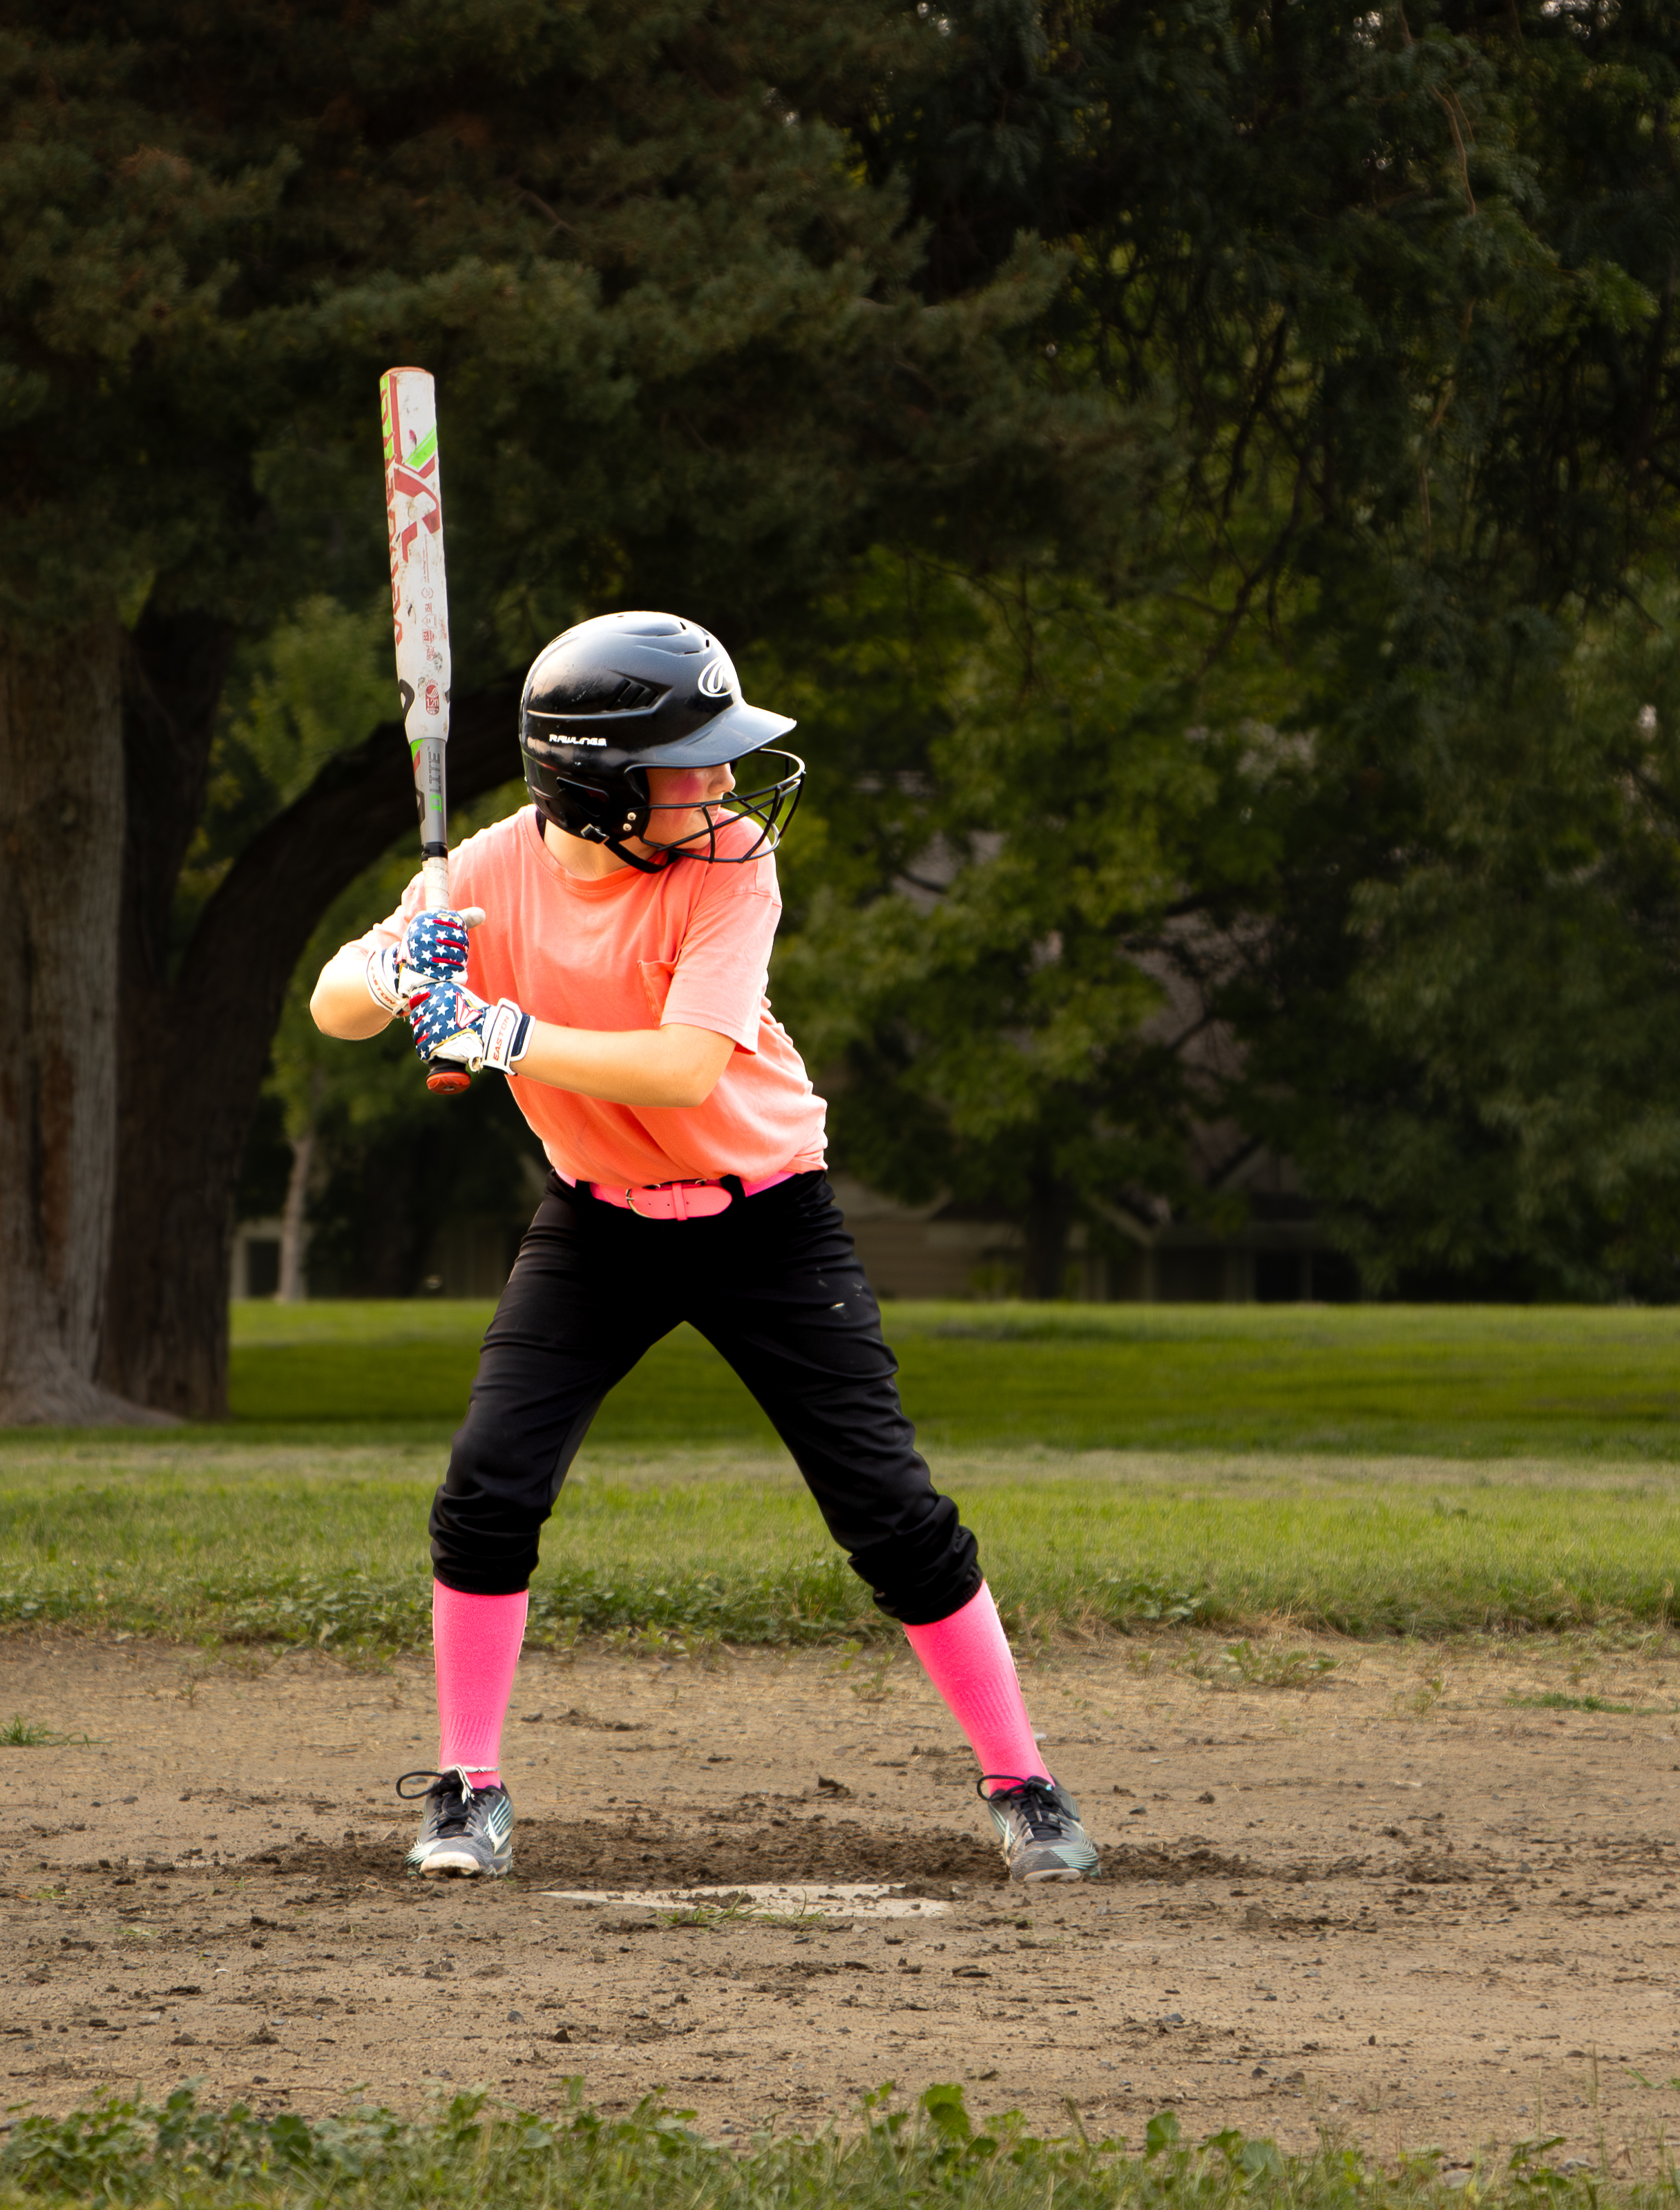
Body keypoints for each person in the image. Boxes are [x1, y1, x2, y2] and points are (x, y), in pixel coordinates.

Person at [305, 609, 1098, 1885]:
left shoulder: (731, 866)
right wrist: (406, 967)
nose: (724, 782)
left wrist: (497, 1033)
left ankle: (1025, 1785)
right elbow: (332, 1008)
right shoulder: (484, 872)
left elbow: (682, 1069)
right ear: (600, 785)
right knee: (488, 1489)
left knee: (891, 1514)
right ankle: (466, 1789)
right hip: (596, 1224)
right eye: (692, 761)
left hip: (768, 1217)